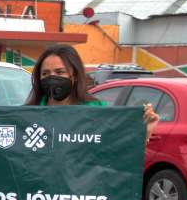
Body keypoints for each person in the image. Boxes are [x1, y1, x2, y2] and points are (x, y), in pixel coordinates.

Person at [21, 44, 159, 140]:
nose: (52, 77)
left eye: (60, 72)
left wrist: (144, 132)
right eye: (45, 73)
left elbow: (117, 150)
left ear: (74, 75)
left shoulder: (99, 112)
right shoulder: (26, 115)